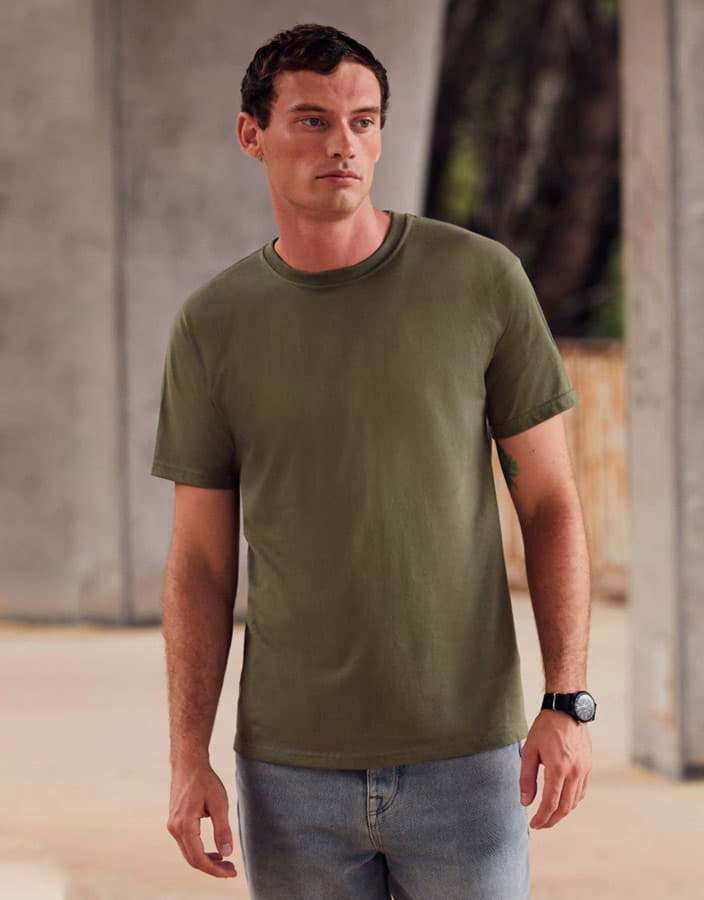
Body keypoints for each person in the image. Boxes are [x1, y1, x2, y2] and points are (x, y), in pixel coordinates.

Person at [150, 22, 595, 900]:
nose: (344, 145)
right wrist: (186, 757)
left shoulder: (481, 280)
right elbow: (199, 560)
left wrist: (566, 700)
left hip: (470, 757)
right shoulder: (213, 325)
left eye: (363, 121)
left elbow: (550, 502)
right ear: (252, 134)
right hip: (291, 774)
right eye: (312, 120)